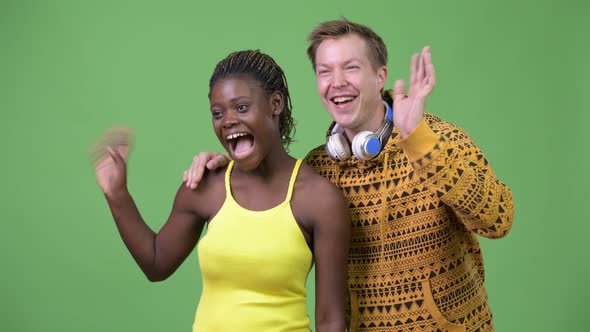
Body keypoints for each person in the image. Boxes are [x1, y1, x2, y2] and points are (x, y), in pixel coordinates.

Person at [183, 19, 515, 332]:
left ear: (380, 75)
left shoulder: (440, 140)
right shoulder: (317, 170)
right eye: (325, 71)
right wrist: (231, 167)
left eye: (351, 67)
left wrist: (419, 141)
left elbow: (498, 220)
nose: (337, 81)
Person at [90, 50, 351, 332]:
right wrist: (117, 194)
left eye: (241, 107)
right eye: (218, 113)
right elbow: (156, 263)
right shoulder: (206, 186)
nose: (227, 121)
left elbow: (330, 320)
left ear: (275, 104)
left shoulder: (319, 199)